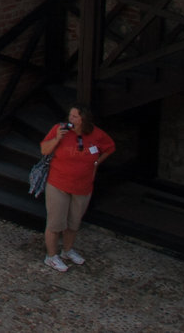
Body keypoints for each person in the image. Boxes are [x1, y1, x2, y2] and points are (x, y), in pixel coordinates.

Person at [40, 105, 114, 271]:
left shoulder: (96, 134)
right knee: (55, 223)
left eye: (74, 117)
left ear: (83, 120)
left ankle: (67, 251)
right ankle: (51, 256)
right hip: (58, 184)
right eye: (70, 116)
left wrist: (96, 163)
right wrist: (57, 138)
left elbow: (109, 147)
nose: (70, 119)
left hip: (82, 187)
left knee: (73, 223)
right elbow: (44, 150)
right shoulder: (59, 129)